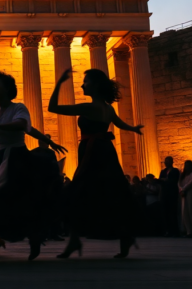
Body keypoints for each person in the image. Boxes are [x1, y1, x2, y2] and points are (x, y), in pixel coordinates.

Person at [0, 71, 66, 262]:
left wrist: (47, 141)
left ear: (8, 89)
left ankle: (34, 237)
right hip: (1, 157)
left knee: (23, 201)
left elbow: (22, 126)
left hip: (19, 158)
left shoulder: (18, 108)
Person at [47, 69, 143, 260]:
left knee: (79, 193)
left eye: (86, 82)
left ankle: (75, 239)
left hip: (93, 152)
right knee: (111, 194)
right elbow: (119, 123)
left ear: (96, 85)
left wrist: (58, 84)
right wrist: (133, 128)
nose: (83, 85)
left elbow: (53, 108)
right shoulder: (108, 108)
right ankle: (124, 238)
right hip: (105, 151)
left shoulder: (89, 108)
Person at [159, 156, 180, 237]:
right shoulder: (163, 171)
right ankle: (168, 230)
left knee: (173, 212)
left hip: (172, 193)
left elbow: (175, 180)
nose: (166, 163)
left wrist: (167, 180)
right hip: (164, 194)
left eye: (167, 161)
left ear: (171, 162)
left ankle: (175, 231)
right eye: (165, 161)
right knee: (165, 213)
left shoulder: (175, 171)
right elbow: (161, 181)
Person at [178, 160, 192, 237]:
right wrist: (181, 190)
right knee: (185, 212)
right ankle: (188, 230)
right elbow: (179, 183)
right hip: (184, 194)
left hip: (191, 194)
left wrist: (183, 189)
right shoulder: (183, 175)